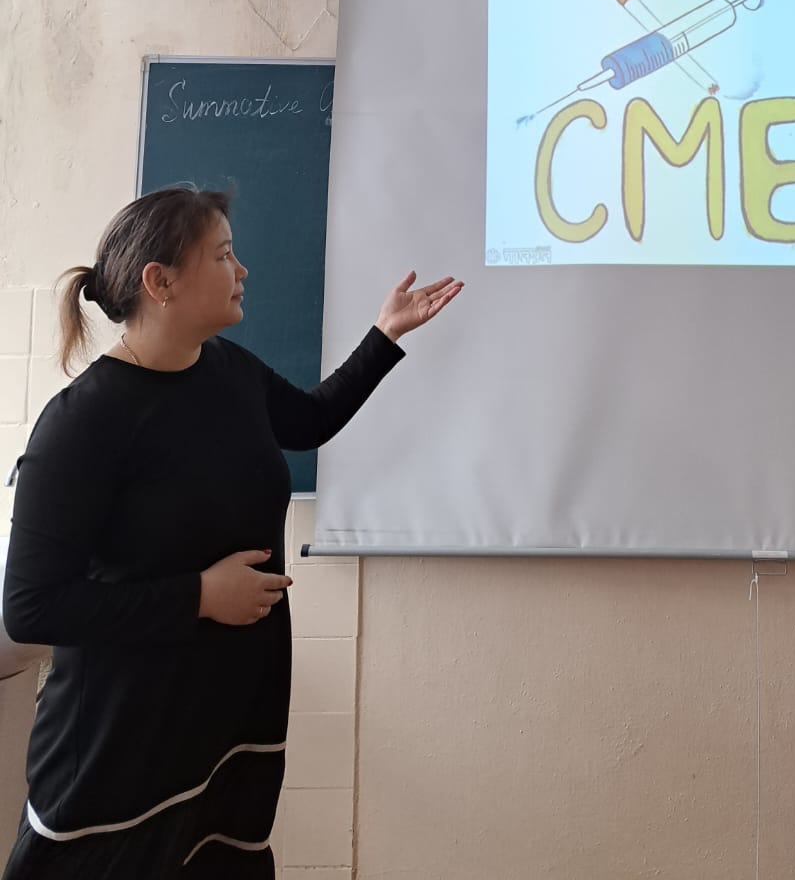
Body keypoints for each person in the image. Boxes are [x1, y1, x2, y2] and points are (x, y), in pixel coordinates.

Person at [1, 186, 461, 877]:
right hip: (119, 748)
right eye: (222, 255)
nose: (242, 270)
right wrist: (198, 596)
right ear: (160, 282)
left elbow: (309, 420)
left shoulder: (228, 370)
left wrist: (384, 334)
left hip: (228, 721)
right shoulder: (82, 423)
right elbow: (31, 607)